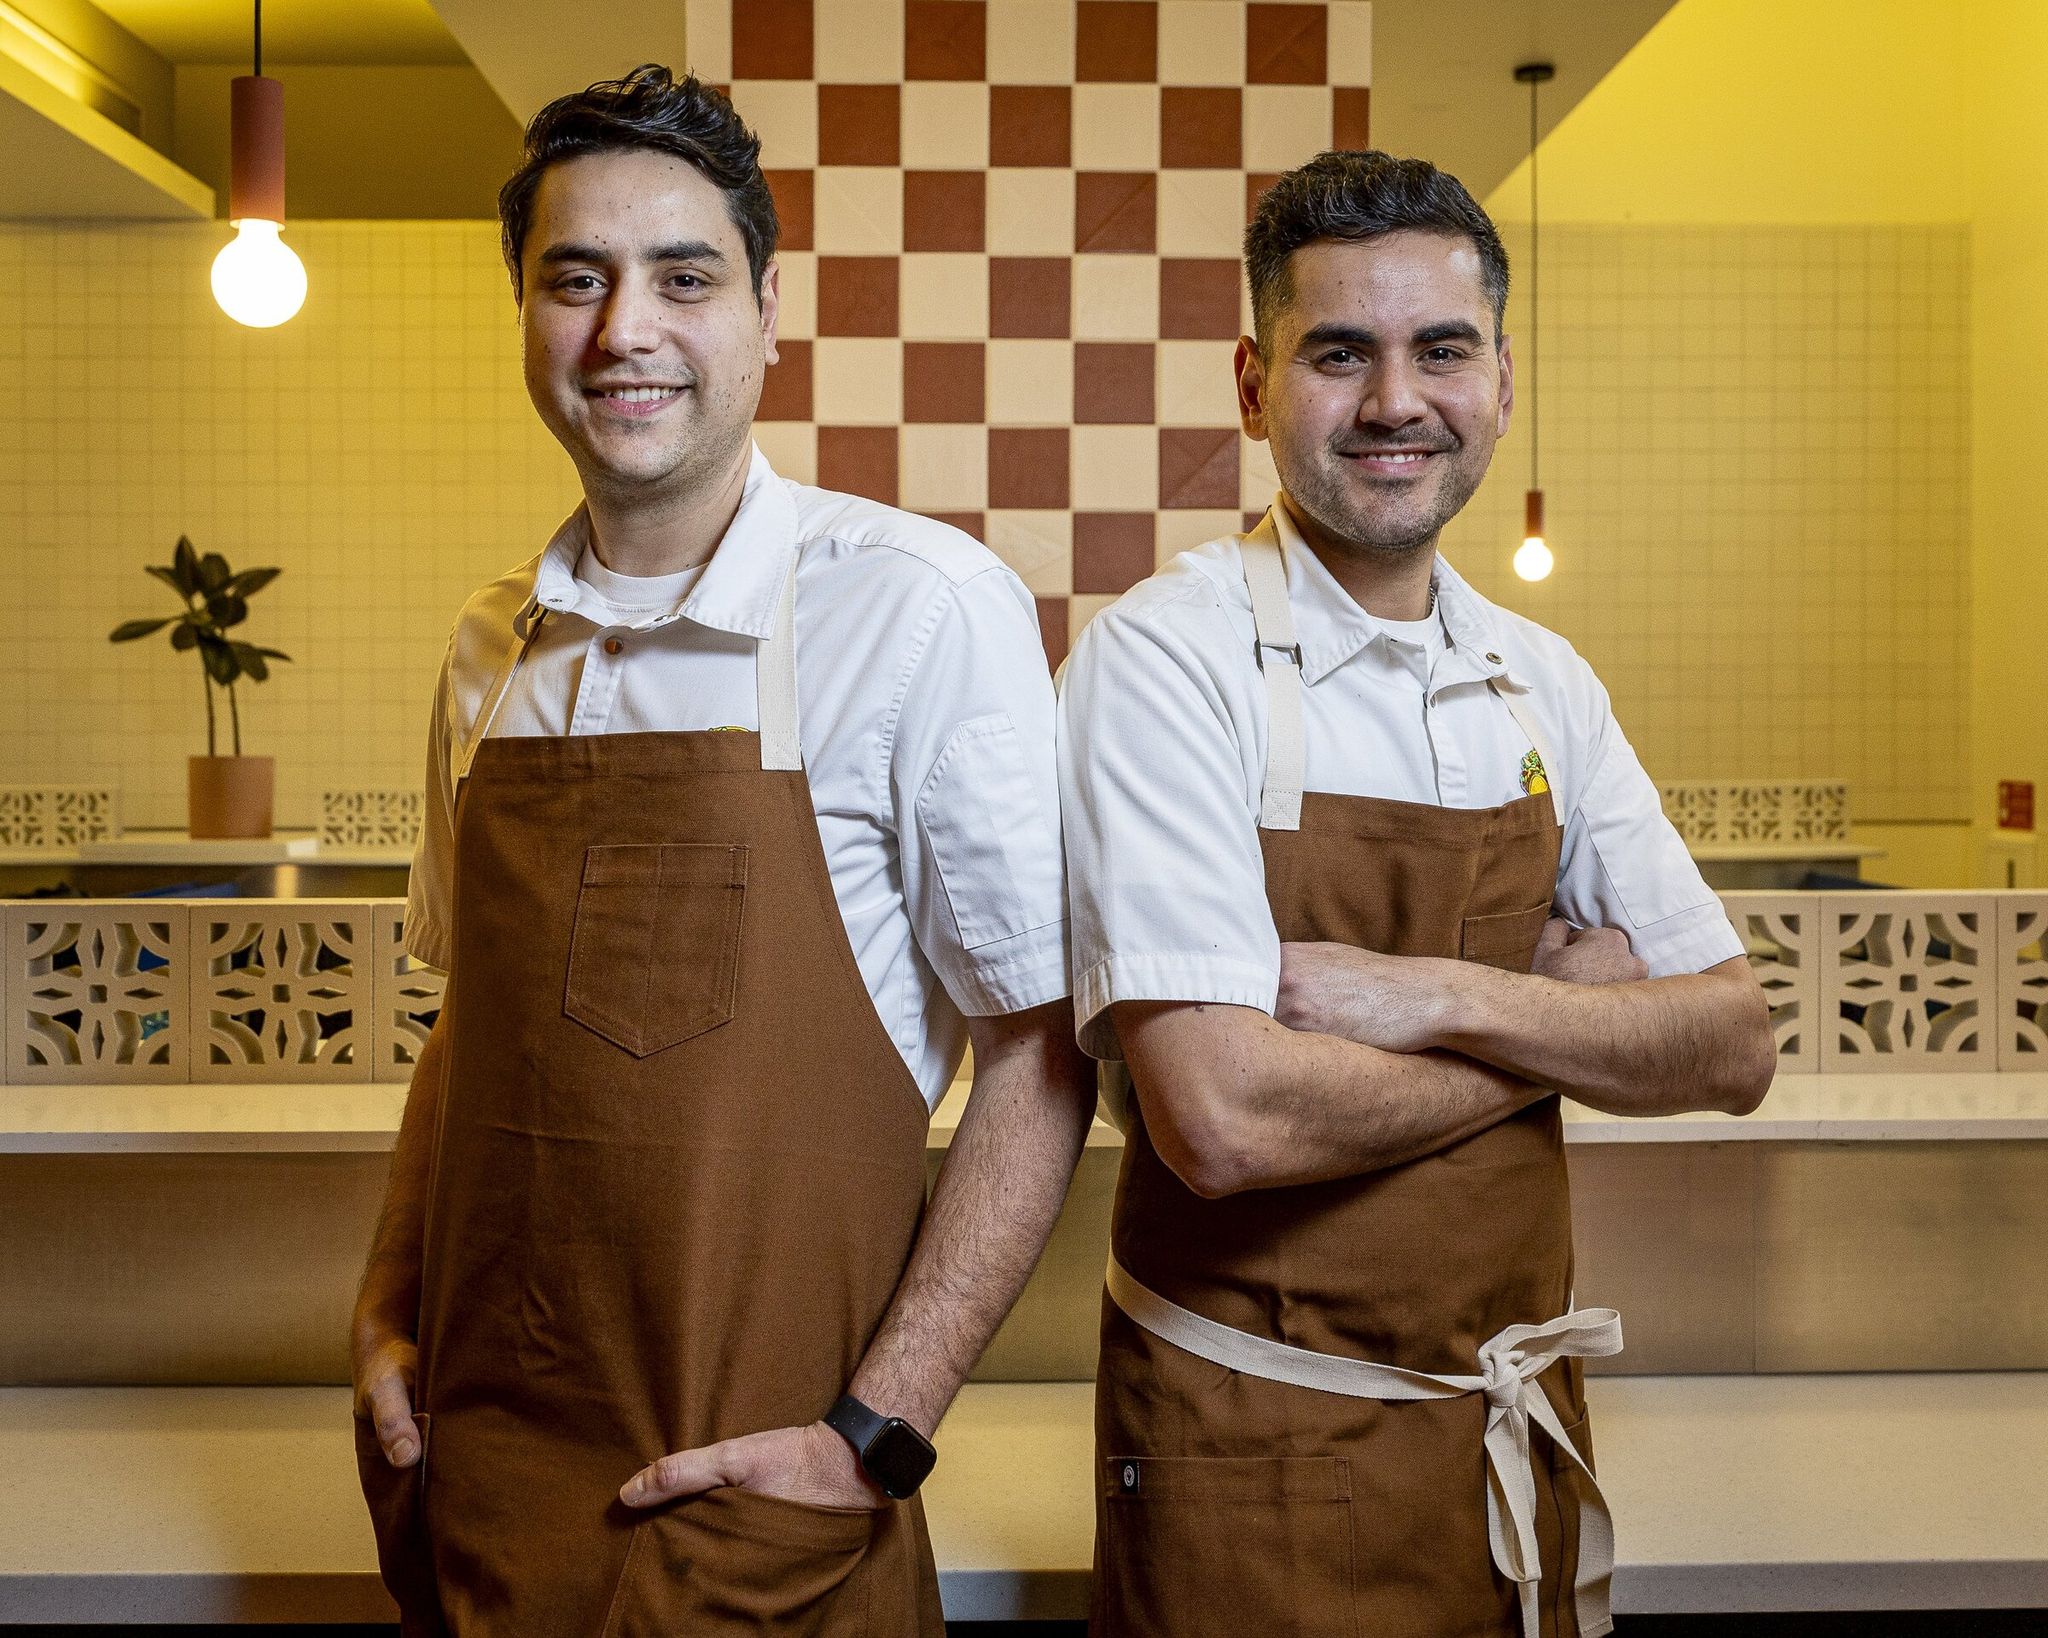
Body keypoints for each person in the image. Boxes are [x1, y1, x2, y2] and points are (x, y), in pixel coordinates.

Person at [350, 65, 1092, 1636]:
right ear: (530, 320)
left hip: (770, 1523)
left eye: (683, 277)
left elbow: (1045, 1052)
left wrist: (877, 1429)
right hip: (480, 1502)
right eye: (575, 279)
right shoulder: (493, 647)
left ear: (767, 312)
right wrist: (382, 1314)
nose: (625, 329)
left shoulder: (920, 607)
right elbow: (466, 1035)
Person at [1058, 151, 1777, 1638]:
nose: (1397, 400)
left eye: (1440, 349)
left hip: (1511, 1442)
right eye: (1340, 353)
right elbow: (1222, 1117)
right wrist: (1558, 1022)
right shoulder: (1164, 662)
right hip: (1247, 1454)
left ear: (1501, 382)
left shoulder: (1540, 677)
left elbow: (1731, 1044)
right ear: (1255, 386)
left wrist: (1441, 994)